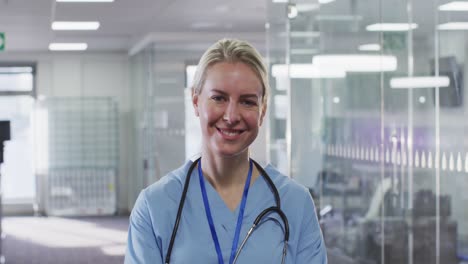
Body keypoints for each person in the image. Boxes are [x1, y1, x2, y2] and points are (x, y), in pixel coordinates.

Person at [125, 38, 327, 264]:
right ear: (195, 102)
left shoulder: (295, 203)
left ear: (262, 111)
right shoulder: (155, 206)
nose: (231, 116)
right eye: (219, 98)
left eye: (247, 102)